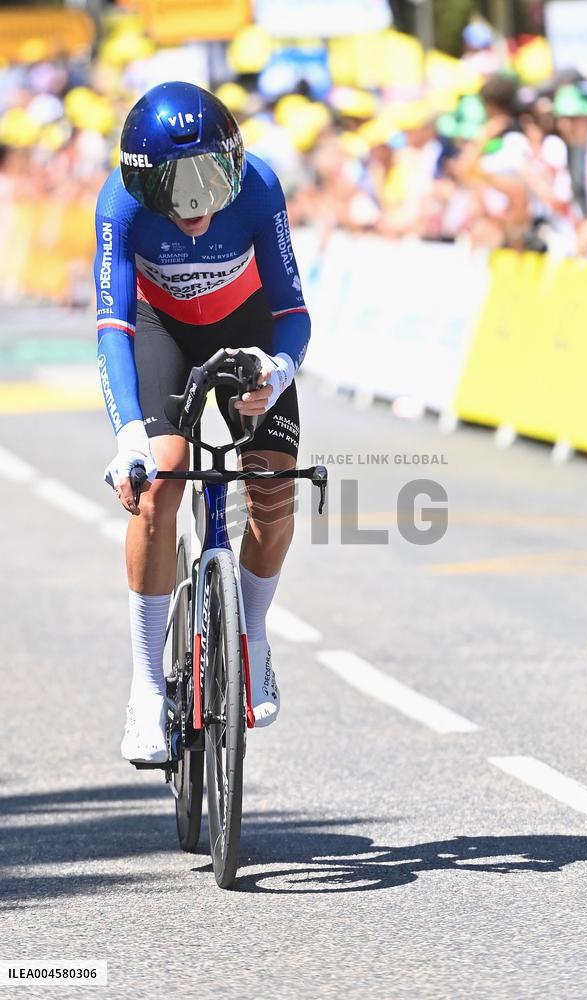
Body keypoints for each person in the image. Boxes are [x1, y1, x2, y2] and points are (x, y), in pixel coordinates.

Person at [94, 81, 310, 763]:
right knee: (157, 487)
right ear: (141, 183)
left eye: (211, 186)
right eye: (177, 193)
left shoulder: (260, 187)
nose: (196, 211)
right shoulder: (119, 204)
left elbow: (292, 312)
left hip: (245, 332)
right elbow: (113, 325)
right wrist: (128, 430)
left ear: (234, 167)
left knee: (273, 498)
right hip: (162, 335)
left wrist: (278, 370)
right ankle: (145, 684)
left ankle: (252, 635)